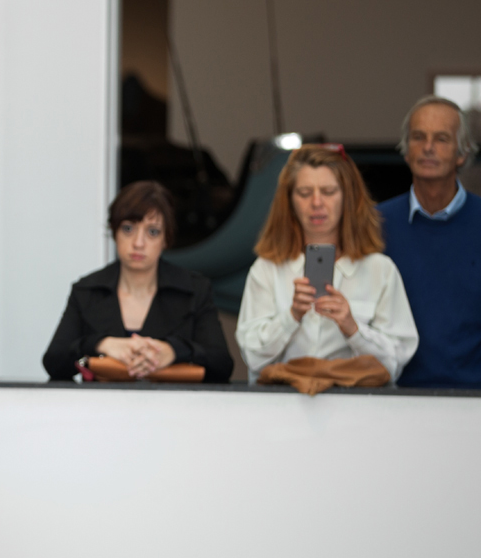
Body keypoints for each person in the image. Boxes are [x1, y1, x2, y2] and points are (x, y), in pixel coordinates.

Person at [236, 144, 418, 383]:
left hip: (357, 412)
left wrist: (352, 328)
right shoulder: (267, 269)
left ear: (348, 198)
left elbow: (395, 364)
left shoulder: (380, 270)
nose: (316, 202)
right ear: (289, 202)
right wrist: (292, 316)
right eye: (304, 192)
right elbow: (253, 358)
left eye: (329, 191)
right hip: (282, 410)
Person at [43, 180, 234, 382]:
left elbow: (222, 365)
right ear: (114, 232)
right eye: (128, 229)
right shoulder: (87, 290)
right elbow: (54, 363)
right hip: (102, 408)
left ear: (166, 239)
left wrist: (173, 351)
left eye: (152, 232)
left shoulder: (194, 289)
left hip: (173, 408)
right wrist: (101, 344)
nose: (138, 243)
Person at [377, 97, 481, 387]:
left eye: (442, 139)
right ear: (406, 151)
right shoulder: (374, 225)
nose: (428, 147)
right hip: (392, 400)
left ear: (462, 154)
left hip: (474, 402)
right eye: (418, 137)